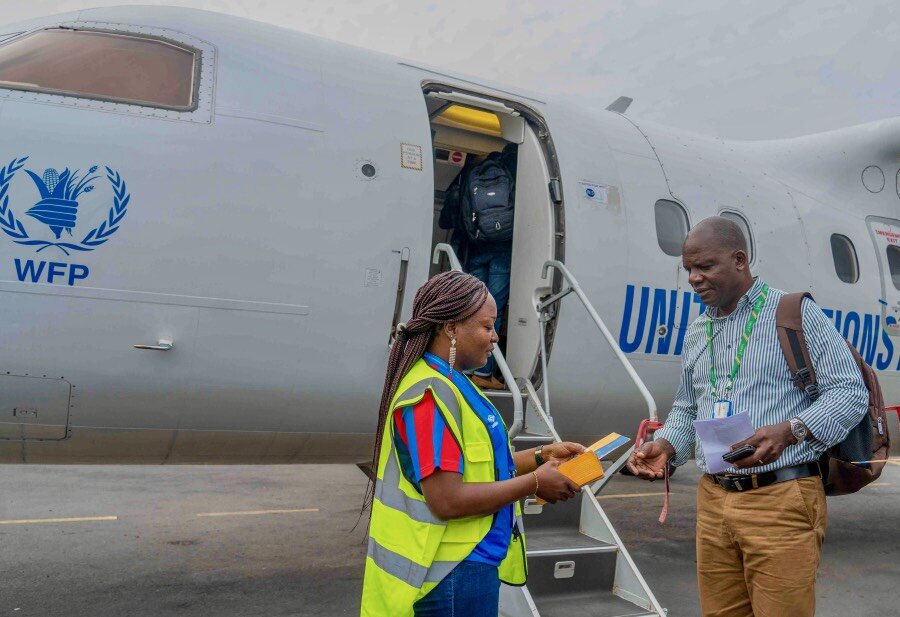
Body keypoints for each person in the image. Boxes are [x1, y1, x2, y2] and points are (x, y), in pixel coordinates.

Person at [626, 216, 868, 617]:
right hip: (714, 498)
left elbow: (849, 392)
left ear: (739, 260)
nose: (693, 279)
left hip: (781, 498)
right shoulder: (698, 330)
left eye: (705, 267)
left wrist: (791, 430)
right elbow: (688, 408)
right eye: (688, 269)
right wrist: (667, 444)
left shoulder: (793, 314)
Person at [361, 270, 583, 617]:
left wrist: (541, 456)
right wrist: (536, 484)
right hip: (447, 577)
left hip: (466, 569)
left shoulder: (453, 384)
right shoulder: (430, 395)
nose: (495, 337)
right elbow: (447, 500)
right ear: (450, 327)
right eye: (486, 326)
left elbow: (482, 466)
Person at [439, 145, 517, 390]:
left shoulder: (473, 175)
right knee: (494, 310)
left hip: (477, 245)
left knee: (471, 305)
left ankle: (463, 363)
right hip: (503, 249)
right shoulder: (511, 174)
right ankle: (483, 372)